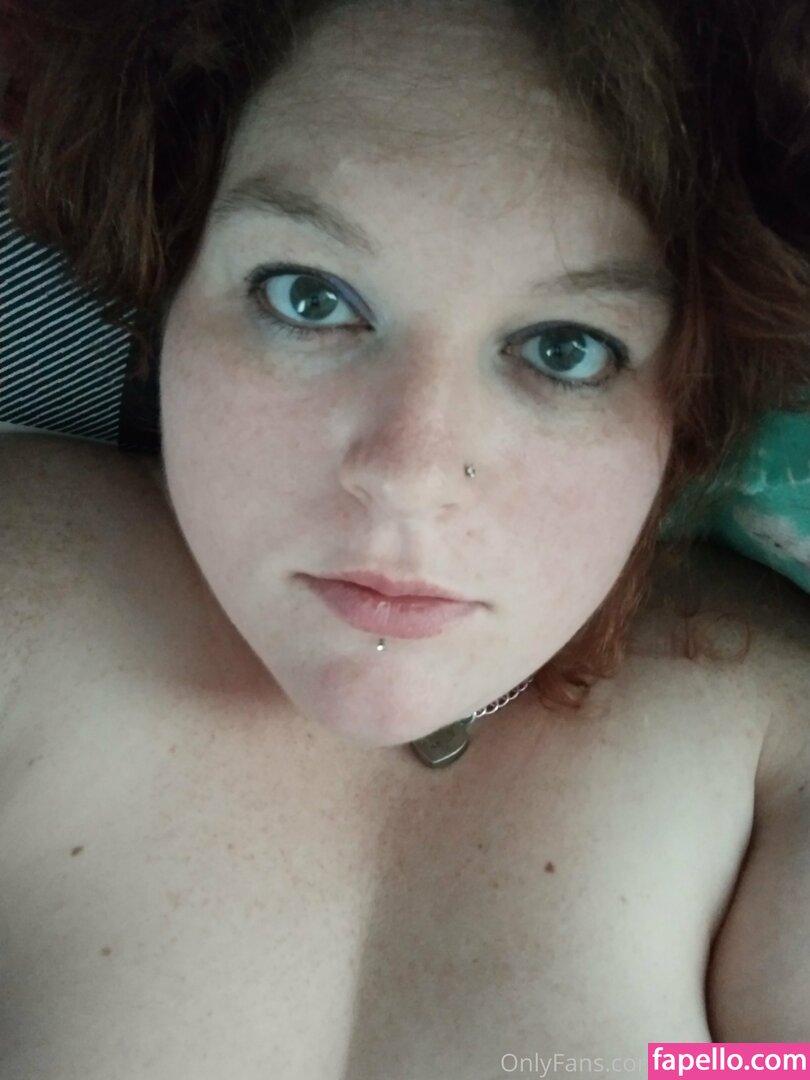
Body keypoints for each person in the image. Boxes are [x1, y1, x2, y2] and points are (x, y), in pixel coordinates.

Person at [1, 0, 809, 1075]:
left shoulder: (774, 748)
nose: (410, 477)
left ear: (692, 400)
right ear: (170, 273)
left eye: (565, 349)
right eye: (306, 297)